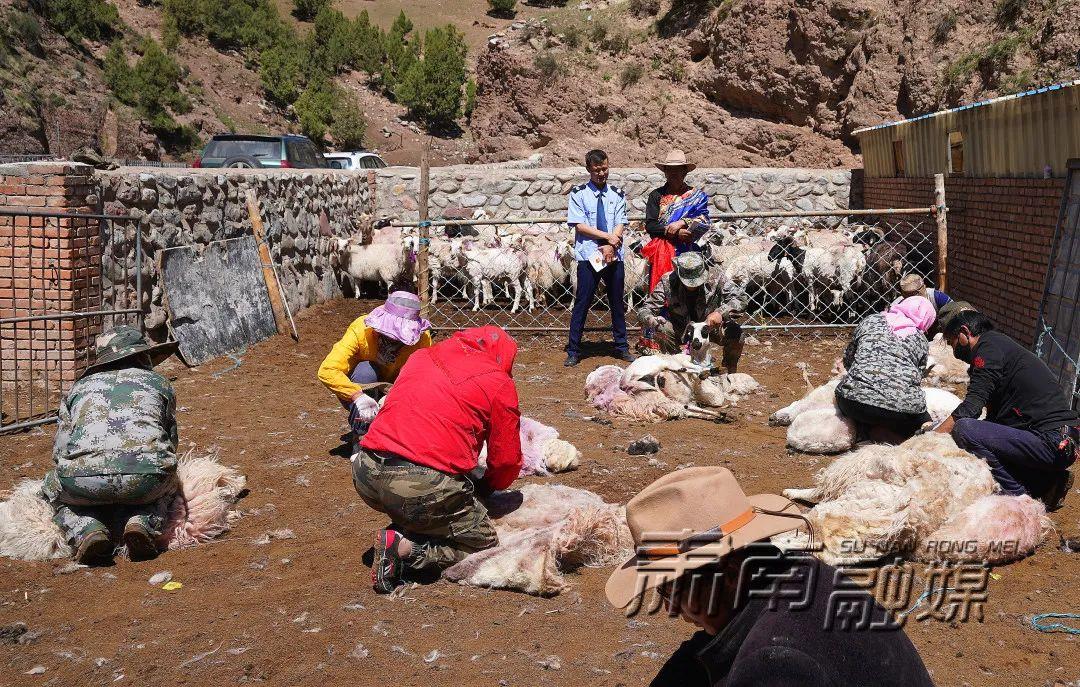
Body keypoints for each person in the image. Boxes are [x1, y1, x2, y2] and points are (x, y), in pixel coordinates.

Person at [606, 467, 935, 687]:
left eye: (672, 591)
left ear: (731, 573)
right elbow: (703, 652)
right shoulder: (796, 573)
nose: (673, 610)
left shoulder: (774, 662)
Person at [355, 325, 522, 593]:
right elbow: (506, 462)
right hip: (417, 482)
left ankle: (411, 519)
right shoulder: (498, 381)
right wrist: (487, 487)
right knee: (485, 543)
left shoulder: (422, 357)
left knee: (426, 494)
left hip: (366, 469)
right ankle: (407, 550)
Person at [45, 326, 180, 564]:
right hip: (145, 478)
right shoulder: (159, 383)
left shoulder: (78, 387)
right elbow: (170, 441)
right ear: (141, 355)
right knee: (170, 480)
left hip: (82, 480)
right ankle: (143, 522)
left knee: (50, 487)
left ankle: (86, 528)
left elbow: (60, 450)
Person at [935, 310, 1077, 510]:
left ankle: (1019, 499)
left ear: (964, 332)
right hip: (1054, 440)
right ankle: (1048, 482)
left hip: (1053, 442)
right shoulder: (999, 346)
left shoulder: (988, 349)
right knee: (978, 440)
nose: (953, 350)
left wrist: (930, 439)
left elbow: (971, 408)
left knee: (965, 430)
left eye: (952, 342)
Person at [317, 291, 432, 436]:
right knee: (365, 371)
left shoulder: (421, 338)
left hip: (397, 386)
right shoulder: (361, 328)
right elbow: (327, 370)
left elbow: (423, 376)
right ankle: (361, 435)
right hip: (362, 387)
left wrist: (396, 394)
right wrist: (357, 396)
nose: (393, 341)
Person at [565, 149, 634, 367]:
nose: (601, 174)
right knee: (582, 302)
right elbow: (579, 225)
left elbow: (621, 220)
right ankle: (574, 349)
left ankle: (621, 346)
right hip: (589, 255)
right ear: (588, 170)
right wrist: (607, 238)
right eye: (596, 170)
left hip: (614, 255)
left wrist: (613, 243)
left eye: (604, 169)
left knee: (616, 302)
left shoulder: (617, 194)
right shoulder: (578, 193)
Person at [835, 296, 936, 439]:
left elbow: (849, 358)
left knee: (845, 391)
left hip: (853, 403)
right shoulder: (921, 340)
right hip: (901, 413)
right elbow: (917, 377)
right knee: (922, 415)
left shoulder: (870, 321)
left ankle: (864, 429)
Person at [636, 252, 745, 373]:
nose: (693, 286)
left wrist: (720, 312)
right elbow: (645, 309)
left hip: (709, 327)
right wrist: (651, 319)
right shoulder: (668, 280)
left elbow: (741, 298)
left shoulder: (716, 276)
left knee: (736, 333)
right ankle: (676, 367)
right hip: (681, 329)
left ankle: (729, 371)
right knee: (662, 328)